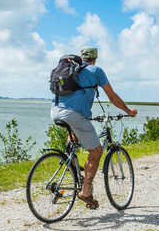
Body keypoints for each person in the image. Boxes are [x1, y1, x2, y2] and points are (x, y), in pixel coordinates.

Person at [51, 46, 137, 209]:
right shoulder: (96, 71)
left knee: (75, 133)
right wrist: (128, 111)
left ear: (81, 57)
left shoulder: (69, 70)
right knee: (96, 151)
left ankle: (73, 166)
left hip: (55, 111)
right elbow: (112, 97)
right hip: (73, 115)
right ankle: (86, 191)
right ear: (95, 58)